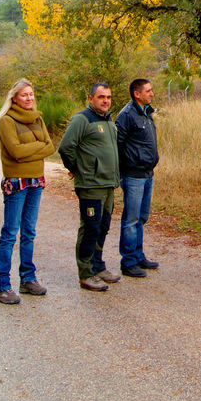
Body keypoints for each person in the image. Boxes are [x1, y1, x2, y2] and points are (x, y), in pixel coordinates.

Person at [0, 79, 54, 305]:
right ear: (14, 98)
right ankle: (2, 286)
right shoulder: (6, 121)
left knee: (29, 231)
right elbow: (16, 152)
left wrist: (32, 150)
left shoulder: (38, 118)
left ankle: (27, 278)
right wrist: (37, 148)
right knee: (10, 233)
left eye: (31, 94)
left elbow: (51, 146)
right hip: (16, 182)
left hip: (36, 180)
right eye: (24, 95)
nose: (29, 98)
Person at [58, 82, 121, 292]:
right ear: (91, 98)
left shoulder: (108, 121)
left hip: (107, 185)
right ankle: (85, 273)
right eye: (101, 97)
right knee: (90, 227)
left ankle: (98, 266)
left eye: (109, 97)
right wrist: (77, 168)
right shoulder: (82, 119)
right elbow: (66, 147)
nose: (106, 101)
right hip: (90, 185)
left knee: (102, 226)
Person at [115, 77, 159, 278]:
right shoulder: (127, 115)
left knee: (142, 217)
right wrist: (129, 165)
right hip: (133, 175)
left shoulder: (146, 113)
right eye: (148, 91)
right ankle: (129, 261)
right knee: (131, 219)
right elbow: (119, 144)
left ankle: (138, 255)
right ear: (137, 94)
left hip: (147, 173)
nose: (152, 93)